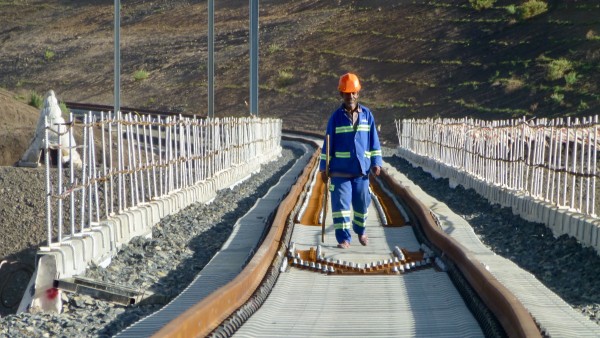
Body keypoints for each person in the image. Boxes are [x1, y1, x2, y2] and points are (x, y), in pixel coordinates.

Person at [320, 73, 383, 249]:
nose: (351, 96)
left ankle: (360, 230)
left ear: (358, 93)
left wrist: (376, 162)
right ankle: (344, 239)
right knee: (341, 207)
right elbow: (327, 144)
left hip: (361, 172)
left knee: (362, 204)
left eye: (354, 93)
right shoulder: (336, 118)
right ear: (341, 95)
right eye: (347, 93)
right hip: (340, 172)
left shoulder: (367, 115)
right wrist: (324, 168)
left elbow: (374, 142)